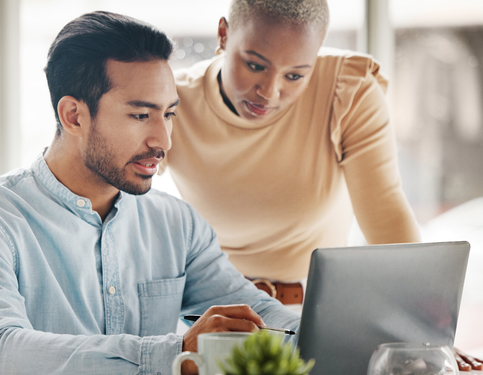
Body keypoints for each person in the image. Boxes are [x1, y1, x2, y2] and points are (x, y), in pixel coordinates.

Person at [0, 11, 299, 375]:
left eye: (168, 114)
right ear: (74, 115)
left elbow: (258, 316)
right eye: (141, 115)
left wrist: (331, 333)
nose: (163, 140)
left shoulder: (177, 224)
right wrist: (174, 353)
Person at [162, 0, 421, 304]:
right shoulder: (172, 100)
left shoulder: (348, 90)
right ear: (223, 34)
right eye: (256, 66)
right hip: (212, 309)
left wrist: (421, 324)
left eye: (295, 75)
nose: (270, 92)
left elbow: (387, 215)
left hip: (316, 310)